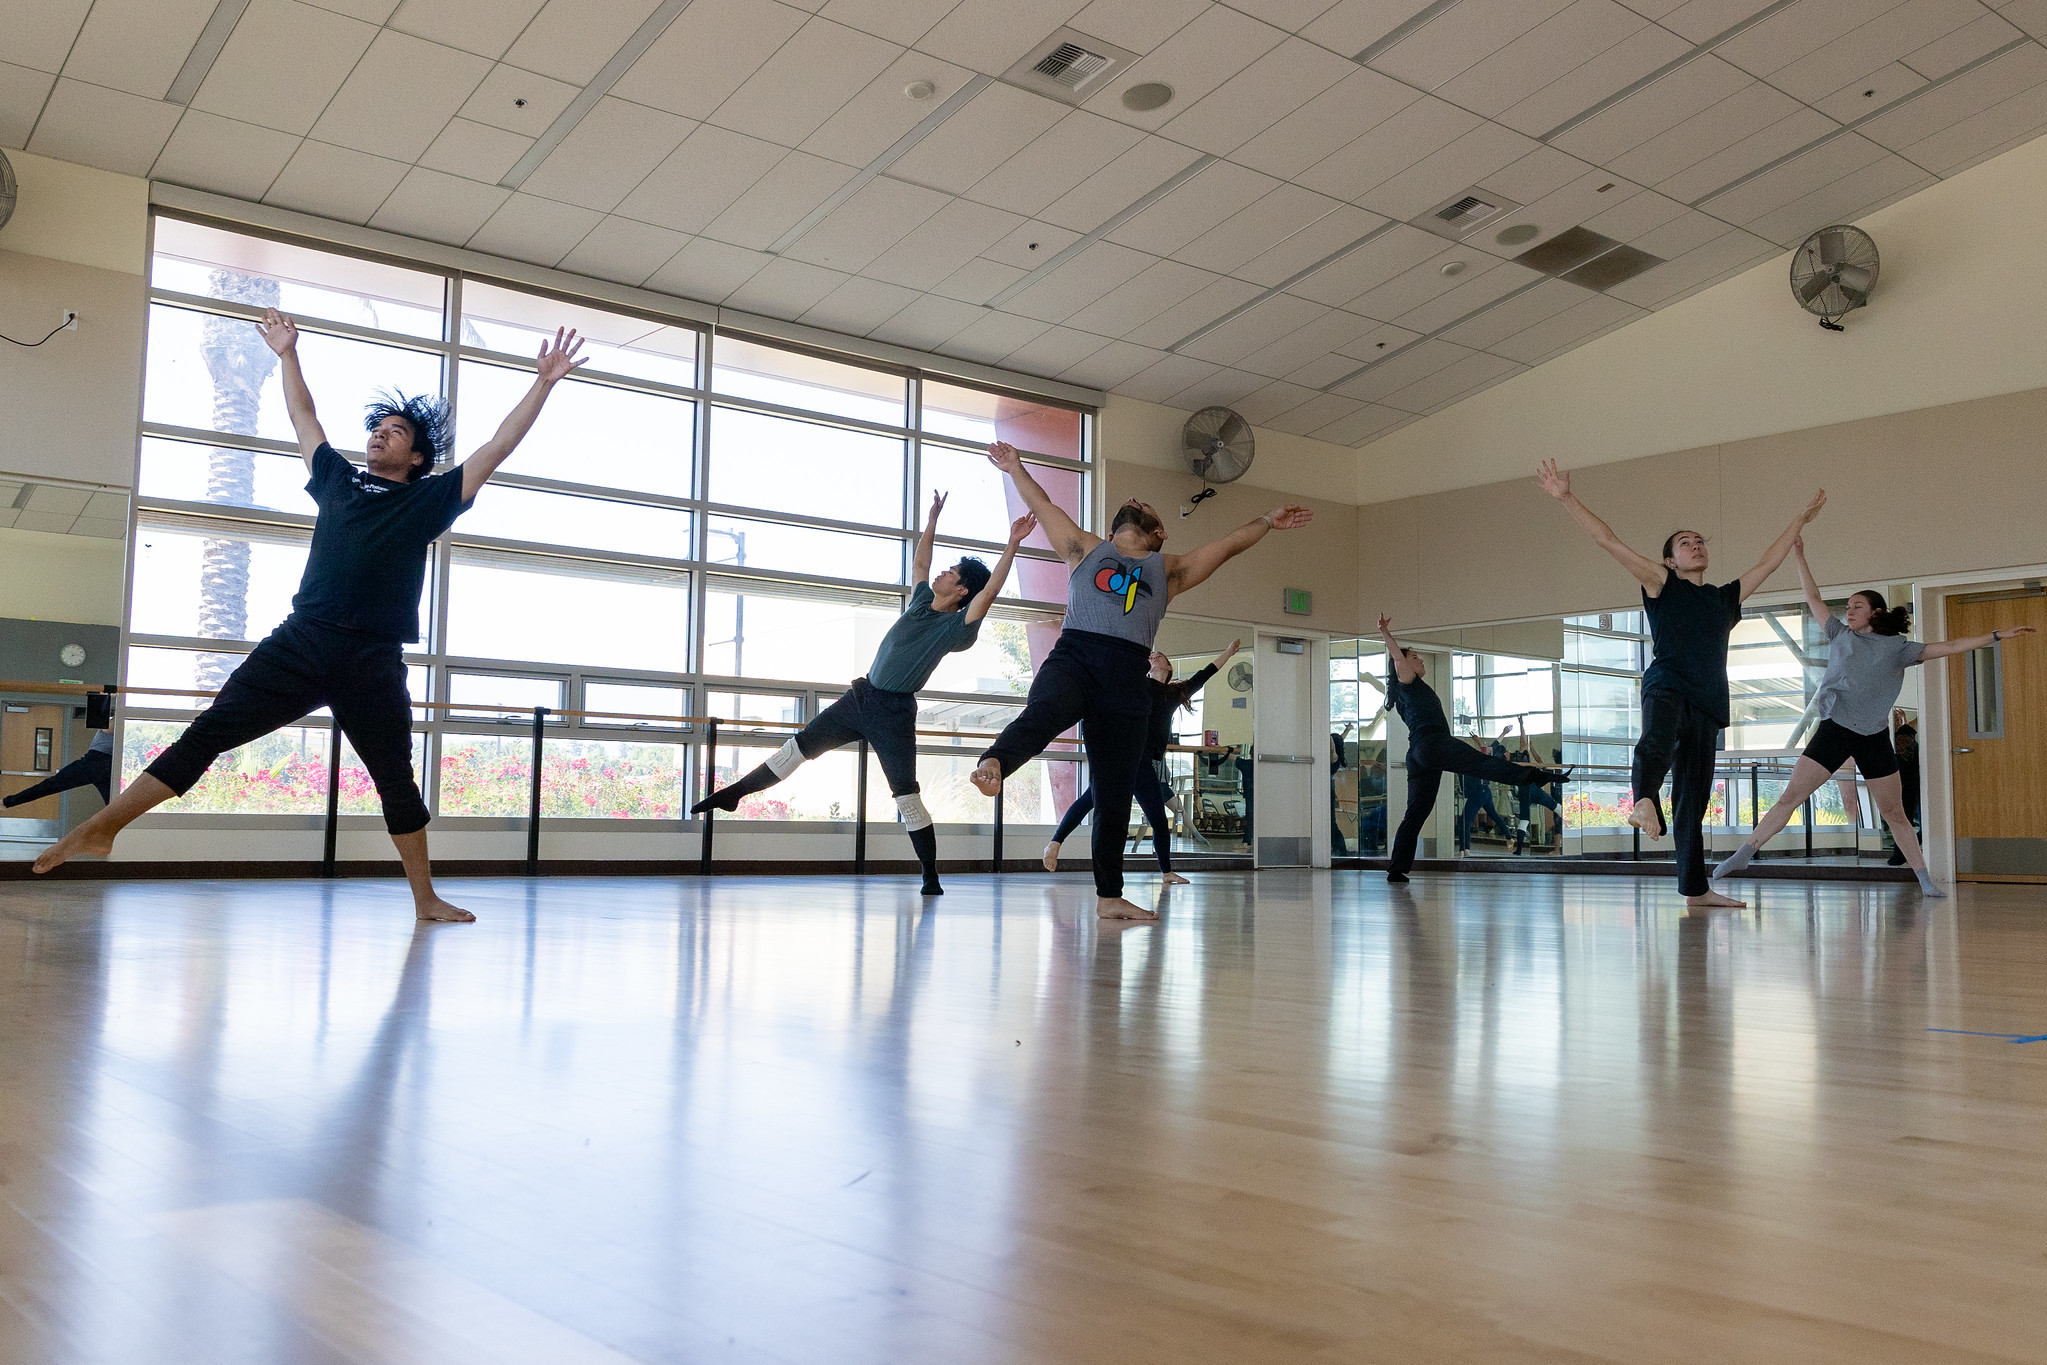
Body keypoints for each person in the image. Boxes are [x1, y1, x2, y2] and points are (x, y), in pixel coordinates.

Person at [32, 309, 588, 921]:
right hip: (301, 643)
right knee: (209, 732)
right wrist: (287, 355)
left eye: (395, 432)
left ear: (416, 457)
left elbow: (497, 446)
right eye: (376, 428)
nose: (379, 435)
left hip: (372, 659)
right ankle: (103, 828)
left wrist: (543, 382)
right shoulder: (337, 481)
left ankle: (425, 897)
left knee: (396, 781)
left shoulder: (430, 501)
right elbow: (305, 418)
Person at [969, 442, 1312, 920]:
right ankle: (995, 764)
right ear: (1114, 528)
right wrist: (1016, 466)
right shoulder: (1085, 547)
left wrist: (1268, 522)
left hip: (1128, 678)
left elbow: (1229, 544)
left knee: (1113, 794)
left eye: (1145, 505)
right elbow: (1044, 504)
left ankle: (1109, 897)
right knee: (1044, 714)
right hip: (1077, 658)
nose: (1136, 498)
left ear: (1158, 533)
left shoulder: (1168, 570)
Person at [693, 494, 1035, 895]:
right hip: (860, 698)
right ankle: (735, 794)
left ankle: (930, 875)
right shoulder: (922, 601)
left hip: (893, 713)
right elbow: (921, 561)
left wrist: (1012, 544)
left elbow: (990, 591)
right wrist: (932, 519)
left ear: (961, 590)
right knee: (797, 748)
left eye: (951, 572)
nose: (941, 573)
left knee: (906, 795)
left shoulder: (958, 626)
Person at [1538, 459, 1824, 908]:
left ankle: (1696, 890)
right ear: (1670, 559)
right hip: (1668, 686)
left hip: (1708, 703)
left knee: (1693, 798)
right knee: (1655, 742)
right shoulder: (1662, 583)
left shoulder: (1723, 598)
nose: (1695, 546)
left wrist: (1799, 519)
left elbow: (1768, 563)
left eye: (1699, 541)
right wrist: (1566, 497)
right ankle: (1645, 799)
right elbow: (1607, 540)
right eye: (1685, 543)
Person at [1714, 540, 2033, 896]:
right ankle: (1744, 853)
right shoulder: (1839, 635)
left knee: (1895, 813)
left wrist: (1995, 636)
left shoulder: (1899, 649)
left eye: (1857, 606)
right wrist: (1801, 557)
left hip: (1873, 737)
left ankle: (1924, 878)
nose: (1849, 611)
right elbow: (1814, 599)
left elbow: (1950, 646)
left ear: (1875, 612)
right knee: (1791, 797)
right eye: (1848, 606)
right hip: (1834, 731)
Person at [1379, 615, 1568, 883]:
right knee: (1482, 765)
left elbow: (1400, 661)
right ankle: (1536, 777)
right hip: (1433, 745)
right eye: (1415, 657)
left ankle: (1396, 869)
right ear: (1405, 663)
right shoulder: (1407, 681)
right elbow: (1397, 658)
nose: (1419, 660)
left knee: (1416, 812)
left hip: (1420, 754)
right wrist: (1386, 633)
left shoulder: (1407, 690)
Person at [1042, 640, 1239, 884]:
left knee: (1158, 819)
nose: (1154, 657)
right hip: (1119, 754)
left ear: (1168, 667)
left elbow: (1205, 674)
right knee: (1090, 799)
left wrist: (1228, 653)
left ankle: (1166, 872)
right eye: (1151, 656)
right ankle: (1055, 843)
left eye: (1159, 656)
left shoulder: (1175, 692)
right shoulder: (1136, 685)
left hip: (1143, 762)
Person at [3, 728, 112, 809]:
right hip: (95, 762)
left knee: (114, 806)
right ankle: (7, 802)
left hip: (101, 762)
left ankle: (7, 802)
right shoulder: (109, 724)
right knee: (49, 786)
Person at [1888, 712, 1921, 865]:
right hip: (1897, 782)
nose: (1895, 720)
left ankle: (1909, 847)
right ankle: (1900, 853)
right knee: (1902, 816)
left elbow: (1921, 718)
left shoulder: (1905, 731)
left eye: (1896, 717)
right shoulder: (1883, 738)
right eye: (1892, 718)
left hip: (1914, 780)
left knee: (1910, 815)